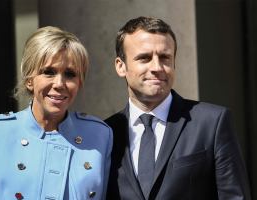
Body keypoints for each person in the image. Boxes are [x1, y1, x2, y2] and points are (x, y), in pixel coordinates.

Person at [105, 16, 251, 200]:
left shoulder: (211, 123)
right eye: (144, 58)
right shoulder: (106, 133)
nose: (157, 67)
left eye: (165, 57)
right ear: (121, 66)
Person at [0, 26, 112, 200]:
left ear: (79, 83)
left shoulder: (100, 135)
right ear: (29, 80)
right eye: (48, 72)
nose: (59, 83)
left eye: (70, 74)